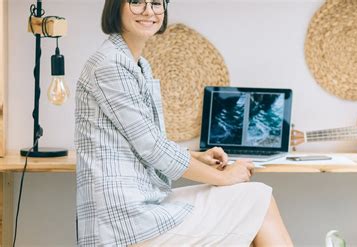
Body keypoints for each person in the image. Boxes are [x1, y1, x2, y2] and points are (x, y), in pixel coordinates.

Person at [75, 0, 293, 246]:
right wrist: (223, 177)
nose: (149, 11)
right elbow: (152, 147)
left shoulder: (138, 65)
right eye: (136, 2)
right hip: (124, 221)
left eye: (156, 3)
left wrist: (195, 156)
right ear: (116, 6)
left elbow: (144, 140)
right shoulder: (110, 64)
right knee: (257, 201)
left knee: (257, 200)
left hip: (140, 206)